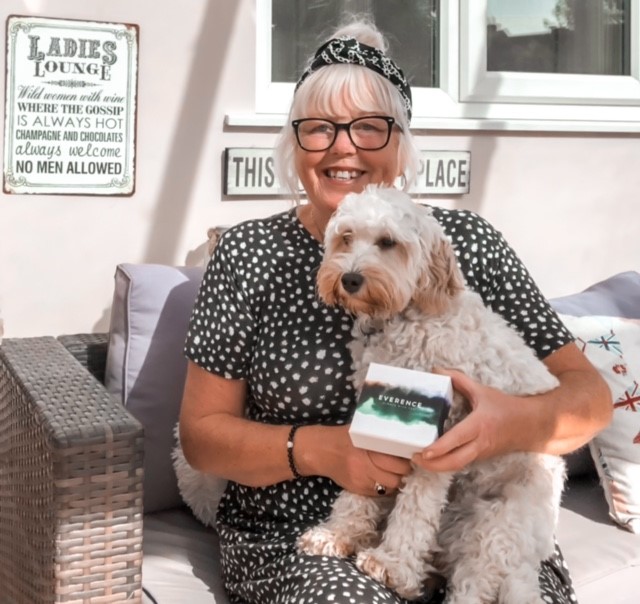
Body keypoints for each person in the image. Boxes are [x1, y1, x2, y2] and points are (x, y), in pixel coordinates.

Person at [179, 17, 611, 604]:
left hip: (472, 520)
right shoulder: (248, 253)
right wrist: (325, 451)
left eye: (370, 128)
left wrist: (502, 426)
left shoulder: (463, 242)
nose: (343, 146)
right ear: (294, 144)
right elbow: (202, 437)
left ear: (403, 146)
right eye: (319, 128)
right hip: (292, 536)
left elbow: (590, 398)